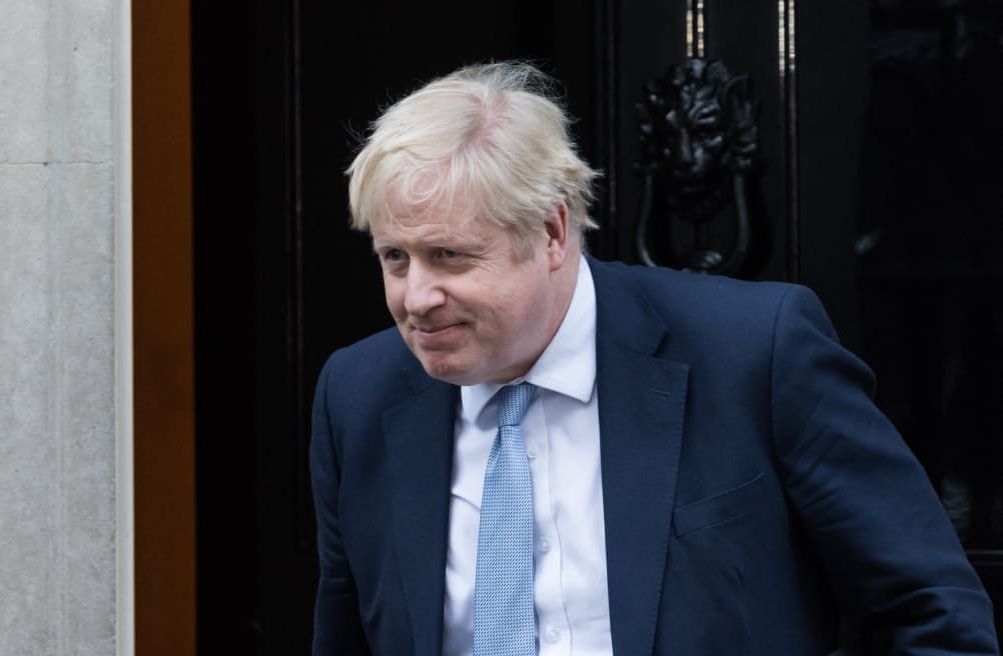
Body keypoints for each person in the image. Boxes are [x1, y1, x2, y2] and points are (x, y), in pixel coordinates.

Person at [309, 61, 998, 655]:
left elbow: (930, 612)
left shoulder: (754, 353)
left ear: (551, 231)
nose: (416, 297)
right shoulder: (359, 394)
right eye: (394, 257)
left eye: (449, 256)